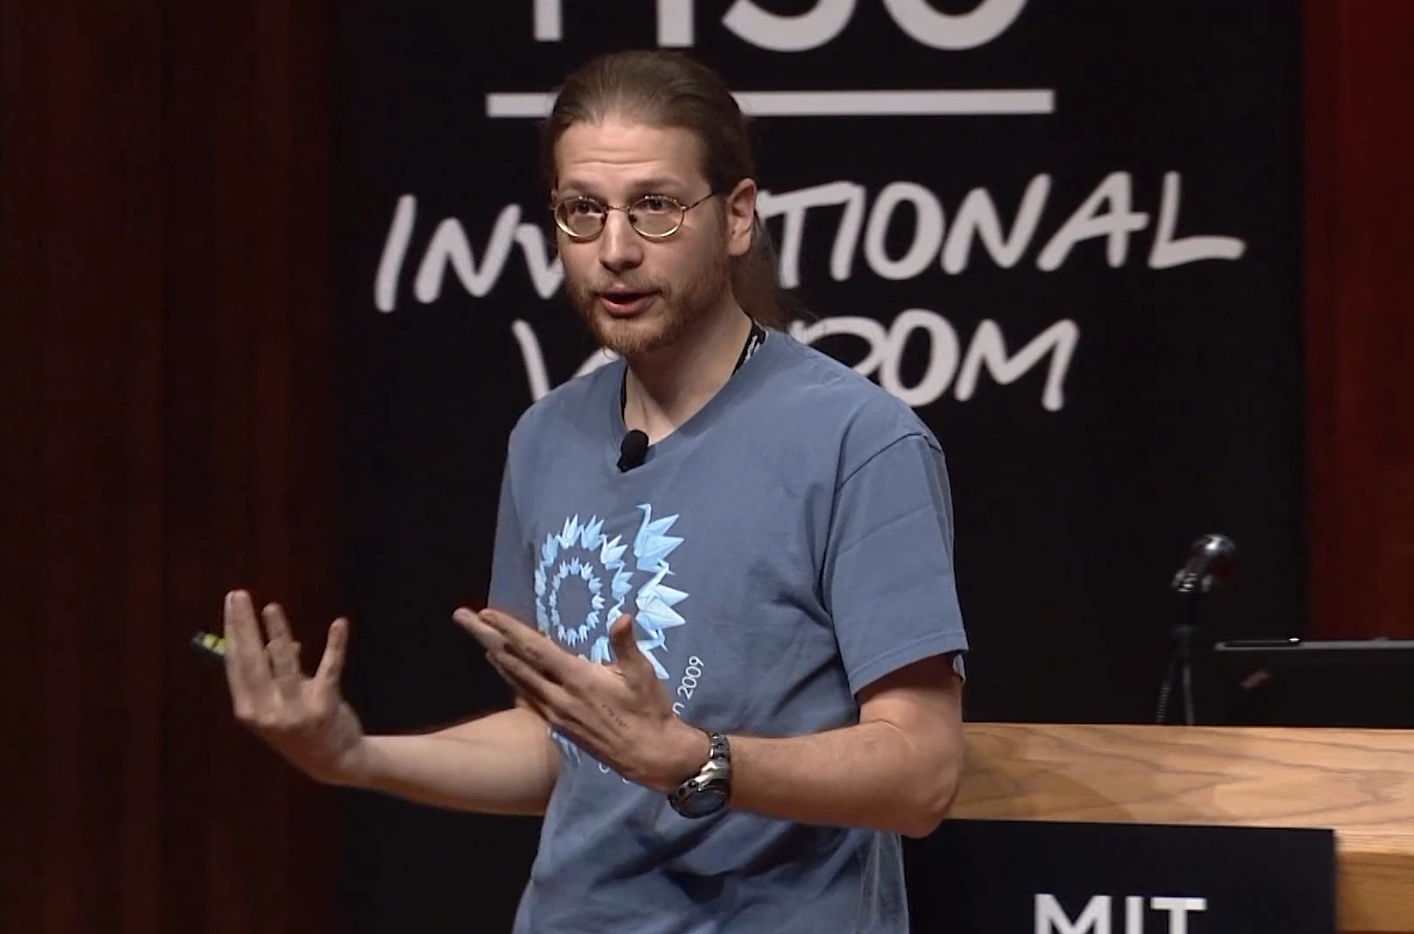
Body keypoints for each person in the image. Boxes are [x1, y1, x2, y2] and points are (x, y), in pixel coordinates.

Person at [222, 49, 969, 934]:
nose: (615, 250)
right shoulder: (545, 439)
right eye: (584, 211)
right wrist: (355, 757)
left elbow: (920, 776)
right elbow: (556, 747)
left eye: (655, 207)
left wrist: (697, 760)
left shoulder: (859, 440)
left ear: (735, 219)